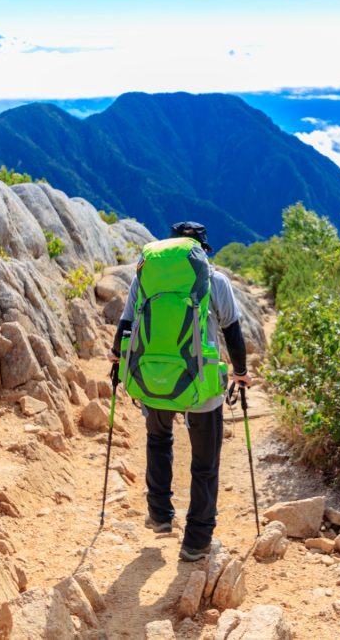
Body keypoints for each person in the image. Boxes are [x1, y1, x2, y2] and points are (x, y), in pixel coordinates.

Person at [108, 221, 252, 562]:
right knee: (205, 462)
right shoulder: (214, 279)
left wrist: (116, 358)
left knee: (158, 440)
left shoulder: (146, 277)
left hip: (153, 377)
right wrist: (242, 373)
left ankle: (159, 515)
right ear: (202, 250)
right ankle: (197, 541)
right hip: (200, 383)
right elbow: (232, 331)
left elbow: (126, 324)